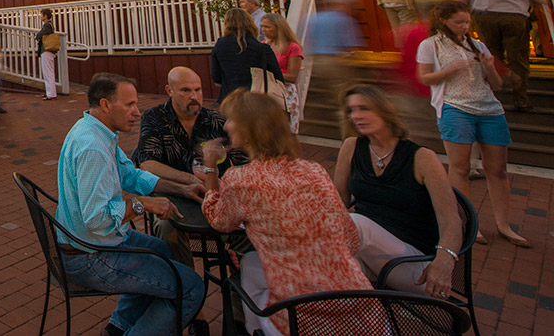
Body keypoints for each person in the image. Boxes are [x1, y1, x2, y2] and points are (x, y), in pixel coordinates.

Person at [201, 90, 374, 336]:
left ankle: (253, 330)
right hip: (366, 313)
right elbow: (351, 240)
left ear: (250, 129)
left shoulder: (240, 180)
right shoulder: (315, 170)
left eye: (231, 119)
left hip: (300, 320)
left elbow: (219, 221)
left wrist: (210, 168)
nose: (226, 125)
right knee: (251, 262)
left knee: (248, 268)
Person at [56, 73, 205, 336]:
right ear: (105, 105)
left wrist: (182, 188)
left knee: (160, 249)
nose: (137, 112)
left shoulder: (95, 129)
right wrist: (141, 204)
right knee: (191, 288)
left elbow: (131, 176)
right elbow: (97, 220)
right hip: (90, 256)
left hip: (90, 242)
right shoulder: (93, 148)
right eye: (130, 105)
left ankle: (118, 327)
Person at [416, 0, 528, 247]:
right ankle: (468, 222)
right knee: (460, 168)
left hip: (489, 108)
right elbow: (424, 78)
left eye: (467, 22)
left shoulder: (477, 45)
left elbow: (496, 84)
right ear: (443, 20)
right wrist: (450, 70)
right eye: (459, 22)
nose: (465, 26)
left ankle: (504, 225)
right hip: (455, 107)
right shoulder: (430, 45)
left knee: (497, 169)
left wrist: (489, 67)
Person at [332, 85, 461, 297]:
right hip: (367, 255)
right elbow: (337, 204)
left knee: (356, 223)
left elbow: (451, 221)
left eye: (364, 108)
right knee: (336, 274)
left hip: (415, 266)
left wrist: (444, 262)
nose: (355, 116)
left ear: (384, 111)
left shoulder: (422, 158)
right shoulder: (351, 147)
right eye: (351, 110)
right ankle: (383, 318)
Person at [133, 67, 236, 262]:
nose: (194, 96)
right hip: (173, 196)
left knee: (250, 223)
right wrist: (190, 180)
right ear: (169, 91)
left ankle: (236, 272)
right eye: (186, 90)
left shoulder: (216, 121)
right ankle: (185, 278)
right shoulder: (156, 117)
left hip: (216, 197)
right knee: (165, 227)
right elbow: (147, 164)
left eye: (198, 90)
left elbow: (242, 161)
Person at [456, 0, 548, 112]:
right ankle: (521, 98)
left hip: (483, 16)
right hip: (514, 16)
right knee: (518, 57)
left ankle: (494, 96)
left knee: (490, 56)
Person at [210, 9, 283, 101]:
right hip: (257, 98)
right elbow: (277, 77)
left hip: (229, 98)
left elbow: (216, 77)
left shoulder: (220, 45)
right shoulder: (261, 48)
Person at [259, 13, 303, 132]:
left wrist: (270, 74)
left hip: (285, 91)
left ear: (278, 27)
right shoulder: (263, 46)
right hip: (266, 91)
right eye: (262, 26)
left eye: (267, 27)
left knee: (287, 131)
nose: (263, 30)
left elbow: (293, 76)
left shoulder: (292, 47)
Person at [35, 8, 58, 100]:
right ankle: (49, 92)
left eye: (42, 15)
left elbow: (40, 34)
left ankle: (51, 93)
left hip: (47, 50)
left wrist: (38, 35)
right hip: (47, 51)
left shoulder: (47, 25)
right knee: (48, 72)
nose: (40, 17)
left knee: (48, 72)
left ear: (45, 16)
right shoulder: (48, 25)